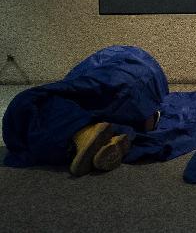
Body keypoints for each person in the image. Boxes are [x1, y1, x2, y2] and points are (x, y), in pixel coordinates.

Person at [2, 46, 166, 177]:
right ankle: (109, 134)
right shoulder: (136, 61)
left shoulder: (112, 57)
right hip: (143, 96)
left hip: (125, 86)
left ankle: (84, 133)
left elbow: (77, 82)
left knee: (30, 104)